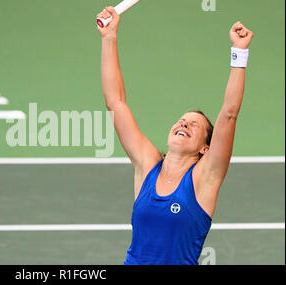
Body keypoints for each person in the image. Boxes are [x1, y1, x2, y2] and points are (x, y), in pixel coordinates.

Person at [96, 6, 254, 265]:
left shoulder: (205, 178)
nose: (184, 123)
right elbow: (116, 103)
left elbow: (228, 115)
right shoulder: (148, 165)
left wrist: (239, 53)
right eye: (182, 120)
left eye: (194, 125)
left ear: (205, 148)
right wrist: (109, 38)